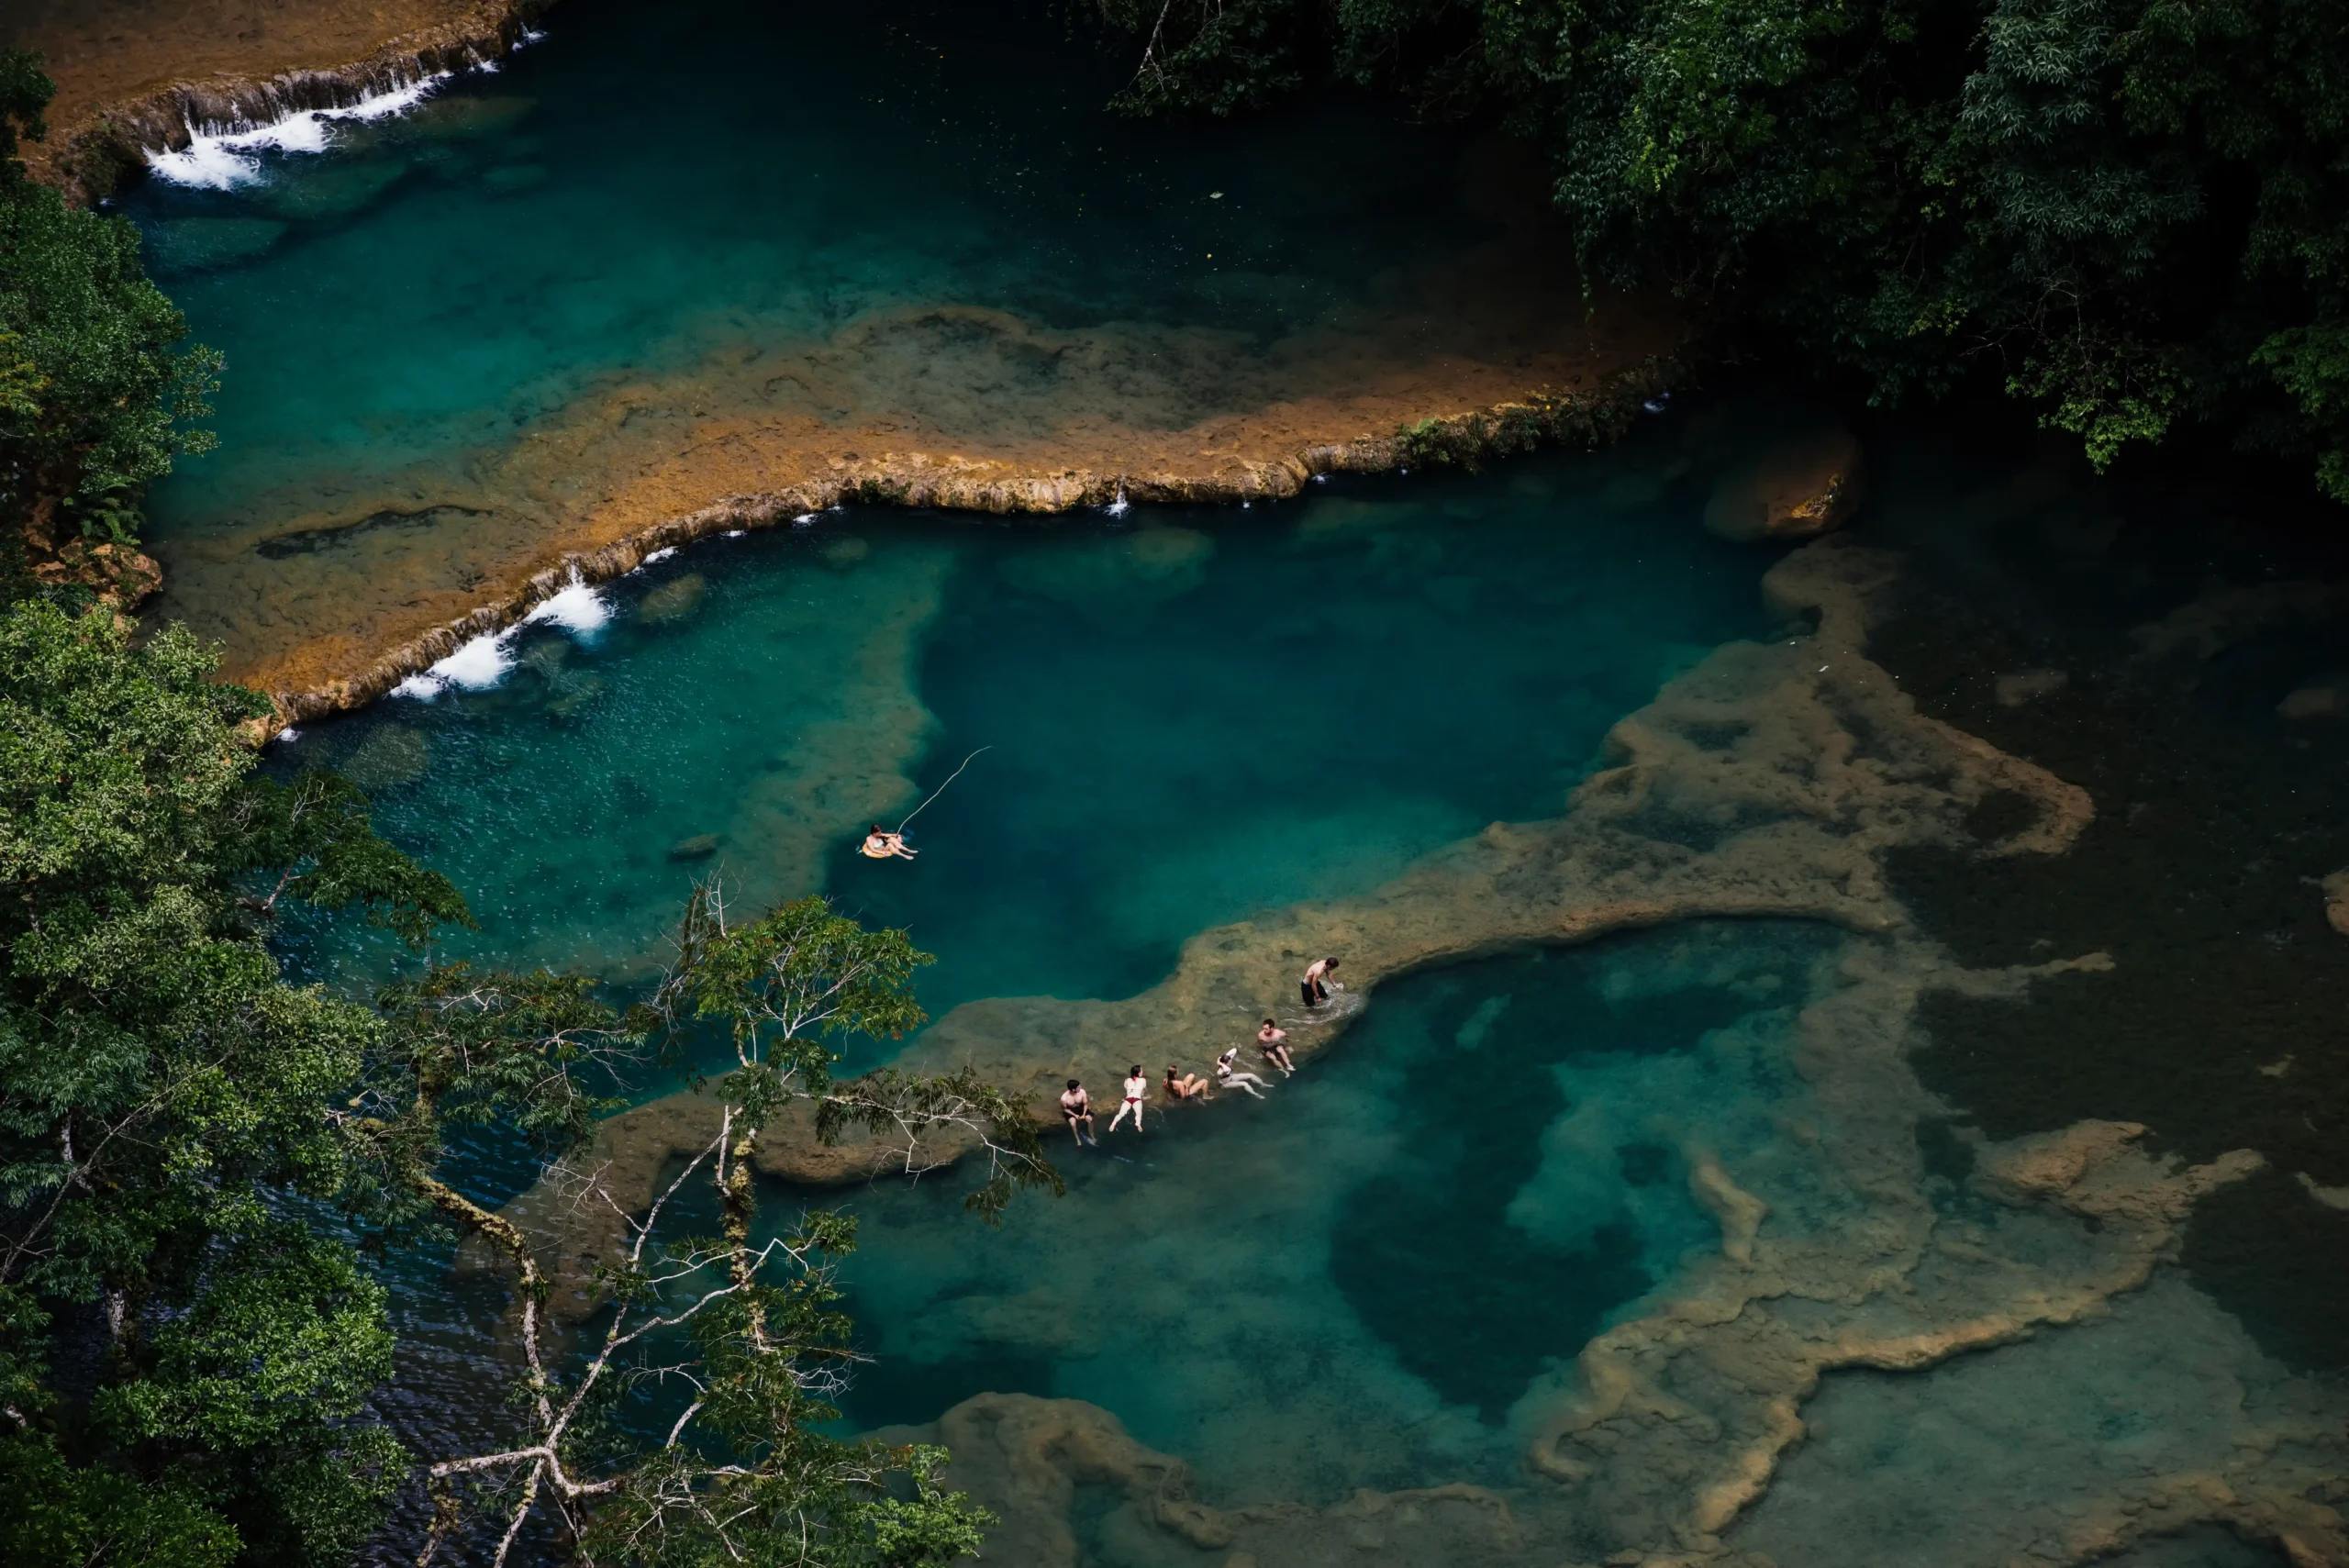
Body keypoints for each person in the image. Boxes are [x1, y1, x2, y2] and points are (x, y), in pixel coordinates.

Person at [1109, 1064, 1150, 1133]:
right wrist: (1146, 1097)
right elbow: (1143, 1091)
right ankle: (1138, 1123)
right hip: (1137, 1099)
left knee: (1121, 1114)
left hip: (1128, 1099)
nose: (1142, 1072)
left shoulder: (1127, 1080)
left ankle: (1114, 1122)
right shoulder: (1143, 1080)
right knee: (1138, 1114)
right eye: (1142, 1071)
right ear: (1139, 1073)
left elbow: (1126, 1089)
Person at [1059, 1078, 1097, 1146]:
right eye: (1078, 1087)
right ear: (1073, 1090)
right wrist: (1074, 1115)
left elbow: (1085, 1104)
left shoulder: (1082, 1092)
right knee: (1073, 1123)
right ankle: (1078, 1139)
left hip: (1081, 1108)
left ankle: (1092, 1135)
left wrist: (1084, 1114)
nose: (1081, 1088)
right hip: (1070, 1110)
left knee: (1090, 1119)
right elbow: (1065, 1109)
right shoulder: (1064, 1098)